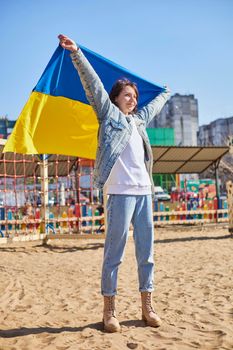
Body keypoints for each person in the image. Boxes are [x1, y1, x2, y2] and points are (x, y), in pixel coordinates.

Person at [58, 34, 171, 332]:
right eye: (127, 95)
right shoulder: (109, 117)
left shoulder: (139, 122)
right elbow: (93, 85)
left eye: (135, 96)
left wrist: (166, 93)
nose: (133, 100)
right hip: (120, 194)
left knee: (146, 254)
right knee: (114, 254)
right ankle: (110, 311)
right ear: (116, 98)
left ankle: (148, 306)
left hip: (144, 193)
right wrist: (77, 53)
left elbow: (155, 105)